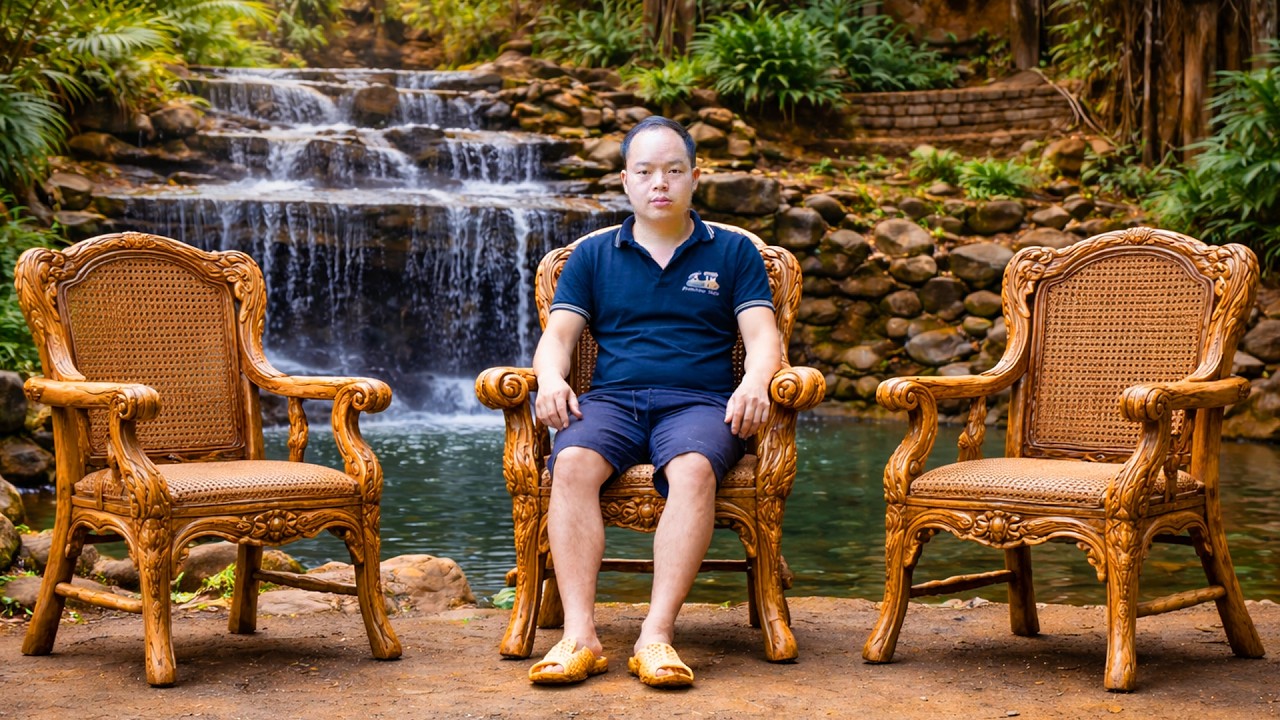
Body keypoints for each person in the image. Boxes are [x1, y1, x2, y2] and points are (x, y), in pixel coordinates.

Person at [527, 115, 782, 688]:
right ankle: (579, 638)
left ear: (695, 177)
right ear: (625, 180)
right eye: (645, 171)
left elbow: (764, 338)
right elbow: (559, 338)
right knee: (569, 464)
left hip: (699, 402)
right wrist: (550, 379)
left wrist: (755, 383)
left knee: (693, 469)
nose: (659, 183)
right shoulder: (592, 255)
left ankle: (656, 637)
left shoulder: (734, 251)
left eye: (673, 170)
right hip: (614, 401)